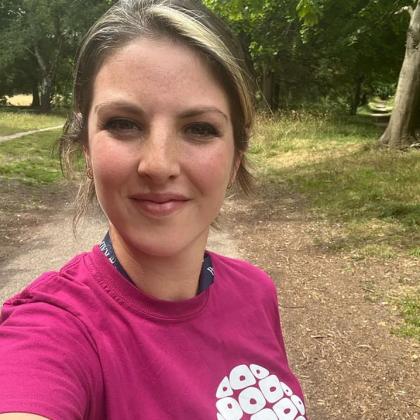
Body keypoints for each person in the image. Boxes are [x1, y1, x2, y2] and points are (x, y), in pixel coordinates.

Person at [0, 1, 306, 419]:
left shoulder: (256, 292)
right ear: (86, 148)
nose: (158, 165)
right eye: (124, 123)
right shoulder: (51, 332)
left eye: (199, 129)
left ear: (236, 158)